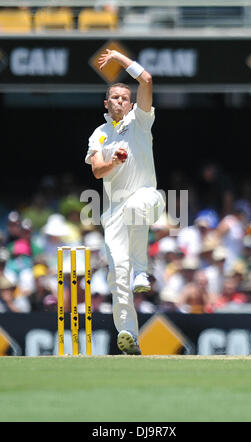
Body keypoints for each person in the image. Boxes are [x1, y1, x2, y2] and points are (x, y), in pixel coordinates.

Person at [85, 49, 165, 355]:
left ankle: (142, 271)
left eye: (124, 97)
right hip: (113, 212)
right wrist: (115, 162)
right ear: (106, 104)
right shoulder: (99, 134)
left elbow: (146, 78)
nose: (120, 101)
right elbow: (96, 171)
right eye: (114, 97)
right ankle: (129, 335)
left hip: (148, 196)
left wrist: (119, 57)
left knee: (135, 207)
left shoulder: (141, 119)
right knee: (116, 274)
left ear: (130, 103)